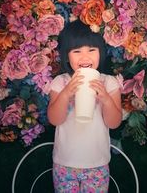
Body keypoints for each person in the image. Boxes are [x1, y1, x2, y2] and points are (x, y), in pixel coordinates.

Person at [47, 19, 122, 193]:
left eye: (91, 50)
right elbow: (54, 119)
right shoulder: (60, 82)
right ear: (67, 55)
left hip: (97, 164)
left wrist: (105, 98)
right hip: (65, 163)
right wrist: (66, 93)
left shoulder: (108, 82)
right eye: (77, 51)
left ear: (100, 53)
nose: (85, 56)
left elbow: (114, 123)